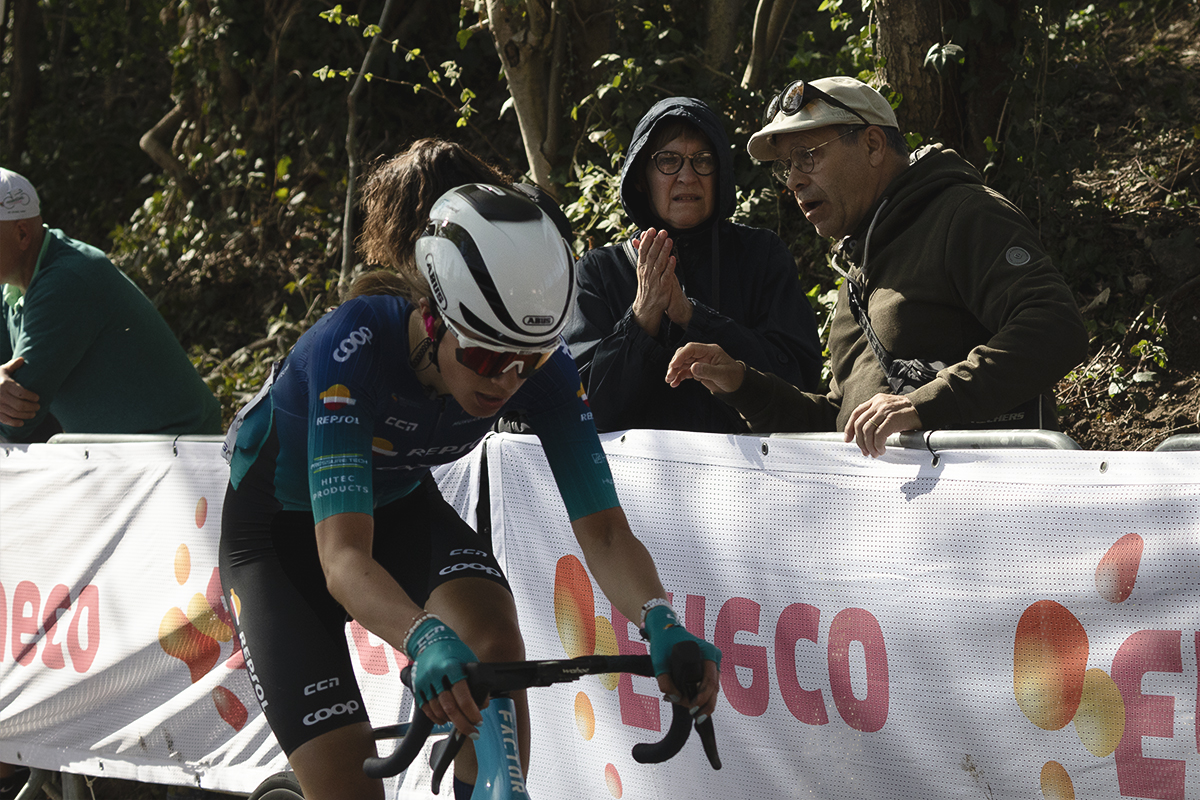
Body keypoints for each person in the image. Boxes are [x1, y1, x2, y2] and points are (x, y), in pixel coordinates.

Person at [219, 184, 722, 800]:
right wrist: (424, 637)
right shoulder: (353, 347)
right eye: (485, 359)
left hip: (398, 506)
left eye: (526, 364)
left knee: (493, 646)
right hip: (283, 541)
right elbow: (343, 559)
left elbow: (607, 533)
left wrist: (660, 618)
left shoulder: (543, 370)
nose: (506, 382)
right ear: (434, 320)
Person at [666, 77, 1089, 456]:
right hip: (897, 512)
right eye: (786, 166)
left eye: (806, 156)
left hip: (988, 504)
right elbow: (840, 425)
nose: (793, 179)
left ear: (872, 145)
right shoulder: (857, 272)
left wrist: (923, 404)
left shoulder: (964, 215)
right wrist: (742, 384)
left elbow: (1055, 327)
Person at [564, 97, 823, 433]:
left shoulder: (761, 256)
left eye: (703, 160)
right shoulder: (600, 272)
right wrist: (642, 318)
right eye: (668, 160)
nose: (687, 176)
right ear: (641, 177)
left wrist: (694, 317)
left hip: (750, 466)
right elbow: (577, 409)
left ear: (720, 174)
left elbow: (800, 383)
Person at [0, 167, 221, 443]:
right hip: (128, 451)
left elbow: (16, 419)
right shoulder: (13, 281)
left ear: (22, 234)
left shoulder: (65, 282)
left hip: (176, 448)